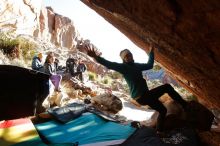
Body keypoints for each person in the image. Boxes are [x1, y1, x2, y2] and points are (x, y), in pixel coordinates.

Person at [85, 44, 188, 133]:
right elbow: (110, 64)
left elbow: (149, 65)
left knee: (163, 110)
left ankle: (159, 131)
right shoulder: (123, 67)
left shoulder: (137, 65)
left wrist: (151, 52)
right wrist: (96, 57)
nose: (128, 57)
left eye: (129, 55)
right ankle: (185, 105)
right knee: (167, 87)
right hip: (142, 96)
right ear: (123, 59)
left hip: (146, 96)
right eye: (126, 56)